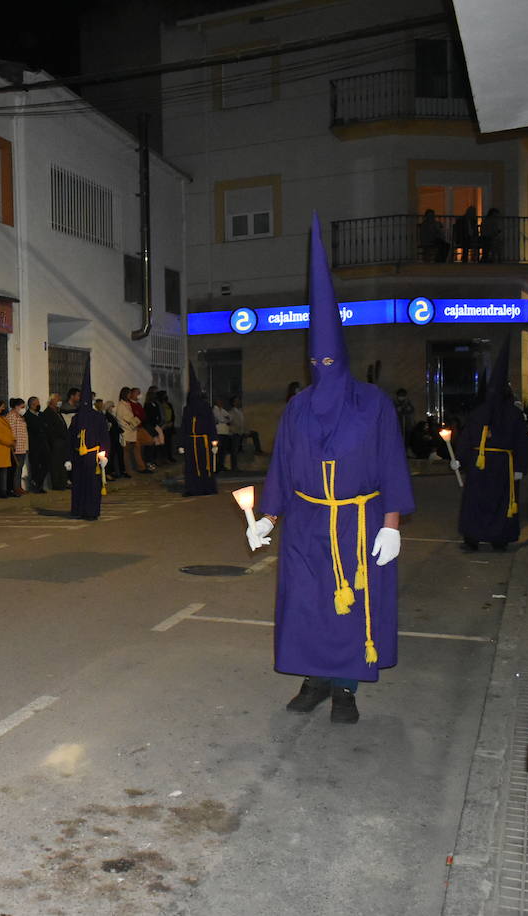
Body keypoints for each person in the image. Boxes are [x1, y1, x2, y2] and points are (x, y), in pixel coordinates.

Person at [246, 215, 414, 725]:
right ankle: (314, 678)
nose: (322, 371)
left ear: (340, 356)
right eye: (313, 363)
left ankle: (345, 689)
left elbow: (390, 464)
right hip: (306, 523)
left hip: (359, 524)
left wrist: (392, 525)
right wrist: (266, 519)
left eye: (328, 362)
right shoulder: (297, 409)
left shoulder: (373, 405)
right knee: (306, 604)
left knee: (351, 609)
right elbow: (282, 466)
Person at [454, 339, 528, 552]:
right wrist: (520, 467)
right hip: (503, 465)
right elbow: (521, 440)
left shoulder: (479, 412)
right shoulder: (514, 413)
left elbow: (467, 438)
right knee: (499, 501)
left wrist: (461, 459)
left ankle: (474, 537)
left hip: (481, 465)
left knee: (477, 500)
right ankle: (498, 537)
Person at [67, 369, 109, 521]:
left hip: (93, 456)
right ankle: (78, 509)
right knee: (78, 484)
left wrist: (104, 455)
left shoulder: (98, 417)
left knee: (92, 485)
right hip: (79, 457)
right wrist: (68, 458)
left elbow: (104, 437)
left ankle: (91, 511)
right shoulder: (76, 419)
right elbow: (70, 439)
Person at [179, 369, 217, 497]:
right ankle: (192, 488)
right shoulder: (187, 409)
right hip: (190, 441)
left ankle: (206, 487)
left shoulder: (205, 408)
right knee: (191, 466)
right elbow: (184, 426)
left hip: (203, 441)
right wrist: (181, 444)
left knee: (205, 465)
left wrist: (214, 441)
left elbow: (211, 425)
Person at [41, 393, 70, 490]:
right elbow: (50, 430)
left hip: (62, 442)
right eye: (57, 400)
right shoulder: (47, 413)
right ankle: (57, 484)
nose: (59, 402)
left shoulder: (58, 412)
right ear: (52, 401)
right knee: (56, 464)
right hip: (55, 442)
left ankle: (63, 482)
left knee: (62, 463)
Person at [24, 396, 48, 494]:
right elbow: (34, 428)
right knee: (35, 465)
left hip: (43, 443)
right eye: (37, 403)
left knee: (46, 464)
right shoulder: (27, 416)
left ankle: (38, 482)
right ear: (32, 405)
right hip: (34, 444)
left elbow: (46, 426)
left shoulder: (41, 414)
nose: (39, 405)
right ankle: (36, 486)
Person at [115, 387, 142, 475]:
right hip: (126, 431)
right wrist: (128, 426)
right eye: (129, 393)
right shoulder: (120, 405)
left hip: (132, 430)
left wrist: (134, 423)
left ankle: (132, 468)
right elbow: (119, 419)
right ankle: (127, 470)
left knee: (131, 451)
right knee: (125, 452)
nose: (130, 395)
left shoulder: (128, 404)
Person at [5, 398, 29, 495]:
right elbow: (12, 432)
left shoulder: (19, 416)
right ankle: (15, 487)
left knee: (19, 468)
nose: (23, 409)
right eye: (22, 406)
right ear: (16, 406)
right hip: (16, 447)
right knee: (16, 469)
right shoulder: (11, 417)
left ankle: (18, 486)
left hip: (22, 447)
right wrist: (13, 444)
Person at [103, 397, 128, 478]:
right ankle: (112, 472)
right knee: (112, 456)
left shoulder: (111, 415)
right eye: (112, 406)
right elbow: (111, 427)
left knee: (119, 454)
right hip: (111, 439)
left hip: (115, 438)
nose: (113, 408)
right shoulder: (106, 416)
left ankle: (121, 471)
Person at [212, 398, 236, 471]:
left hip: (225, 432)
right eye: (219, 401)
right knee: (218, 450)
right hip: (218, 432)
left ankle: (221, 465)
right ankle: (216, 466)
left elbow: (231, 418)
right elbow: (220, 419)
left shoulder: (223, 410)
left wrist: (226, 420)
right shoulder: (214, 410)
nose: (221, 402)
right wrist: (226, 420)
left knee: (223, 450)